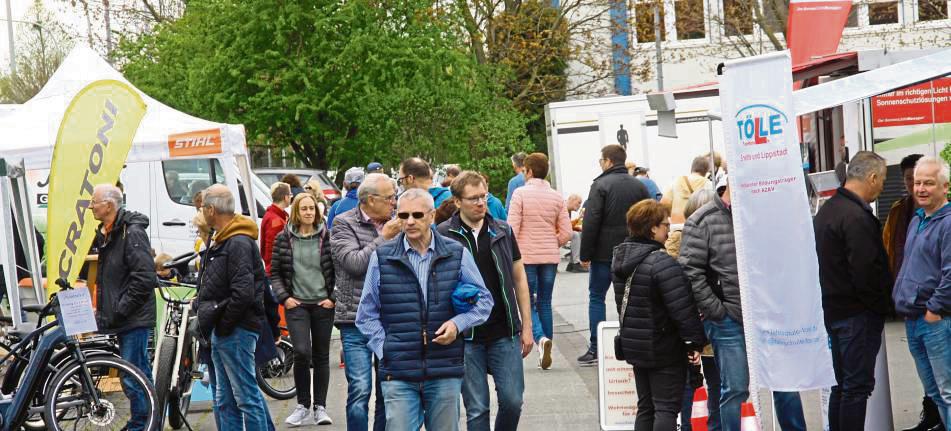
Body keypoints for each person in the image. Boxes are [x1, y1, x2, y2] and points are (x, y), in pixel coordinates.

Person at [356, 188, 494, 431]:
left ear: (431, 216)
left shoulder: (456, 253)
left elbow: (484, 300)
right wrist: (384, 349)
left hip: (444, 369)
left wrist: (457, 324)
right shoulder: (382, 257)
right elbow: (366, 315)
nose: (409, 221)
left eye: (417, 215)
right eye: (403, 215)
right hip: (398, 372)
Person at [678, 181, 806, 431]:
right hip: (729, 319)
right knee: (735, 389)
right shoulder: (702, 220)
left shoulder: (764, 212)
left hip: (770, 314)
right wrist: (717, 310)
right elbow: (689, 270)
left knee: (785, 386)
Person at [437, 171, 534, 431]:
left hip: (505, 330)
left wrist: (527, 326)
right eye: (473, 198)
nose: (481, 203)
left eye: (484, 196)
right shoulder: (444, 235)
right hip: (466, 335)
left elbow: (519, 278)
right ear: (457, 202)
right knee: (477, 409)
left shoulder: (502, 229)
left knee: (513, 401)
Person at [814, 151, 893, 431]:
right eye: (882, 180)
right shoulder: (856, 217)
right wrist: (881, 306)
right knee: (856, 389)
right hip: (857, 315)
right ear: (871, 177)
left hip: (834, 311)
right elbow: (865, 271)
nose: (882, 187)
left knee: (843, 386)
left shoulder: (828, 210)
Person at [614, 199, 705, 431]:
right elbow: (682, 309)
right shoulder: (662, 263)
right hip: (664, 347)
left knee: (646, 406)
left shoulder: (622, 260)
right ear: (653, 227)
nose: (668, 229)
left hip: (635, 345)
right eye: (665, 224)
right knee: (665, 408)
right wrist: (695, 342)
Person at [330, 173, 401, 431]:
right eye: (389, 198)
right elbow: (355, 263)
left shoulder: (398, 222)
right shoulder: (343, 223)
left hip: (390, 318)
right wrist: (385, 238)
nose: (394, 203)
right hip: (355, 319)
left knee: (388, 388)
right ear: (370, 200)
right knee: (360, 389)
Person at [195, 184, 271, 428]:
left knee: (245, 397)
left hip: (236, 330)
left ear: (210, 210)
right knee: (225, 398)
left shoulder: (236, 242)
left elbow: (243, 293)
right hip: (225, 329)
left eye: (202, 207)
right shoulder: (223, 240)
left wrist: (225, 324)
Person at [89, 184, 157, 431]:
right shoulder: (109, 232)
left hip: (133, 317)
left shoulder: (132, 232)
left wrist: (120, 308)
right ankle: (147, 420)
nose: (90, 206)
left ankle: (143, 423)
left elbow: (144, 277)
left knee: (133, 375)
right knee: (136, 373)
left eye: (94, 202)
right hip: (125, 316)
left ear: (109, 205)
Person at [885, 156, 945, 431]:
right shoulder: (916, 219)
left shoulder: (947, 222)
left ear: (945, 187)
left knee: (947, 392)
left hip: (935, 321)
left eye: (928, 183)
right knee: (934, 392)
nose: (920, 188)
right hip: (913, 319)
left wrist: (934, 309)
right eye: (917, 182)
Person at [578, 144, 650, 366]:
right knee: (633, 299)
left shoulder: (600, 185)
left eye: (601, 160)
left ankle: (596, 348)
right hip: (634, 251)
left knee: (597, 297)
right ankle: (634, 344)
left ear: (608, 161)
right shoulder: (639, 186)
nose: (600, 163)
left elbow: (592, 221)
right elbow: (648, 215)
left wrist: (585, 253)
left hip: (603, 253)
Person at [271, 193, 337, 425]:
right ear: (296, 212)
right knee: (301, 352)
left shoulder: (327, 237)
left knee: (320, 355)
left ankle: (320, 406)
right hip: (296, 304)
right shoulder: (284, 238)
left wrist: (333, 297)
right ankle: (302, 404)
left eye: (312, 209)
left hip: (322, 304)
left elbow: (340, 269)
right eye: (304, 209)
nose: (309, 212)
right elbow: (275, 272)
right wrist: (285, 297)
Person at [508, 153, 572, 370]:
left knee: (527, 301)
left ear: (529, 171)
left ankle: (540, 338)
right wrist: (551, 241)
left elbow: (512, 229)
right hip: (550, 257)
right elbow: (567, 232)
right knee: (545, 301)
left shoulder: (520, 194)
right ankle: (546, 346)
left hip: (526, 257)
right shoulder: (556, 197)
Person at [884, 154, 925, 278]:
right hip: (903, 280)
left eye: (918, 177)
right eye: (908, 178)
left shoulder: (943, 209)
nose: (914, 183)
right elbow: (888, 246)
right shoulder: (897, 210)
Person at [661, 156, 712, 224]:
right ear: (706, 171)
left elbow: (663, 205)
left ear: (692, 168)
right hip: (698, 226)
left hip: (677, 226)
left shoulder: (676, 182)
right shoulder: (708, 184)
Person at [261, 182, 292, 275]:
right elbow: (272, 249)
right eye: (290, 195)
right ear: (286, 197)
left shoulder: (274, 216)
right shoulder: (276, 221)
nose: (291, 197)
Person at [565, 194, 586, 273]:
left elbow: (567, 225)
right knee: (575, 235)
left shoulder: (567, 210)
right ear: (572, 200)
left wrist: (578, 229)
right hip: (555, 233)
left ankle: (571, 264)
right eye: (579, 202)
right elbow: (565, 226)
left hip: (559, 231)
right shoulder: (563, 208)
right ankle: (576, 263)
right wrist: (579, 218)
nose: (580, 205)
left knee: (578, 234)